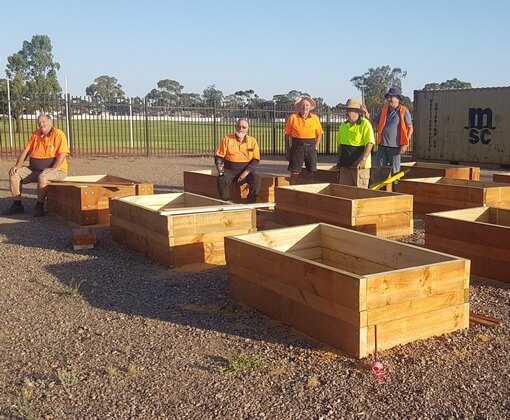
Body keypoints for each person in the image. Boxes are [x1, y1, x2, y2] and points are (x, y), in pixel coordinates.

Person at [3, 114, 70, 217]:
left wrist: (55, 168)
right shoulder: (36, 134)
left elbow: (63, 153)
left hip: (57, 170)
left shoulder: (58, 134)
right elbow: (26, 151)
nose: (41, 124)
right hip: (35, 169)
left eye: (44, 121)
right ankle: (17, 205)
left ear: (50, 122)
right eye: (39, 122)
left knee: (43, 177)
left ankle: (40, 206)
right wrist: (17, 165)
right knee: (14, 174)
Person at [365, 87, 413, 191]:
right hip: (382, 146)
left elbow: (410, 128)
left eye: (392, 97)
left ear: (398, 99)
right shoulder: (384, 110)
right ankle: (381, 191)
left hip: (395, 148)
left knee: (395, 172)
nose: (390, 99)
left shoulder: (404, 111)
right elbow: (374, 122)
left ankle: (395, 192)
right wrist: (366, 115)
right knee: (380, 170)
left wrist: (405, 144)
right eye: (389, 97)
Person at [214, 118, 261, 203]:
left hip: (246, 170)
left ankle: (251, 203)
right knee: (221, 179)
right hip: (229, 170)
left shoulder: (252, 141)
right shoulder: (227, 139)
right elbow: (219, 157)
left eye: (244, 127)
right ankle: (226, 202)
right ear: (235, 127)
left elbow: (255, 160)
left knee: (256, 179)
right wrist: (221, 171)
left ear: (247, 129)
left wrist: (245, 172)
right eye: (239, 126)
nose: (241, 129)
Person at [336, 99, 375, 188]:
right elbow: (340, 145)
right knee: (344, 191)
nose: (347, 113)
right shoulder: (343, 126)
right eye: (347, 110)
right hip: (345, 165)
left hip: (359, 166)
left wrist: (363, 160)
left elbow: (370, 143)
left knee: (360, 191)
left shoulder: (365, 124)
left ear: (357, 112)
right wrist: (339, 162)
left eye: (350, 110)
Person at [284, 96, 323, 184]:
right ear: (299, 107)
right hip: (297, 147)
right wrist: (287, 150)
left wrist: (316, 147)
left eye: (307, 105)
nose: (305, 107)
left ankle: (309, 191)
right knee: (295, 172)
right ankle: (292, 190)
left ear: (310, 107)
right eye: (303, 105)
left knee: (311, 172)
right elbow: (287, 134)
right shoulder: (293, 118)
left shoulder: (315, 118)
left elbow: (319, 133)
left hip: (311, 147)